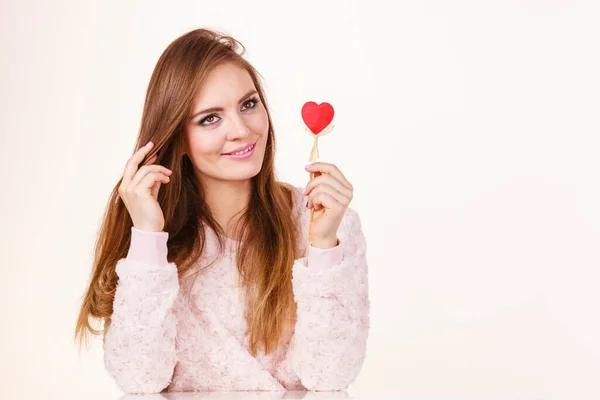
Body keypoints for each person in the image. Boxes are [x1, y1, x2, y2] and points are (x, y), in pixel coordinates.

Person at [74, 28, 369, 394]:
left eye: (248, 104)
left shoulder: (325, 223)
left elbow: (330, 377)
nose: (242, 130)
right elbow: (139, 378)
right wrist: (149, 237)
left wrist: (324, 247)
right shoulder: (153, 240)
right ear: (178, 137)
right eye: (210, 118)